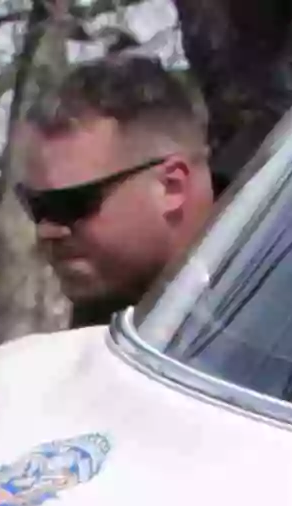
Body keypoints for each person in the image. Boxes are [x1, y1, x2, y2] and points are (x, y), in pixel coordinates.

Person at [15, 54, 222, 326]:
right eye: (34, 205)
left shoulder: (280, 293)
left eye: (71, 204)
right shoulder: (104, 313)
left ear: (171, 187)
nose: (46, 230)